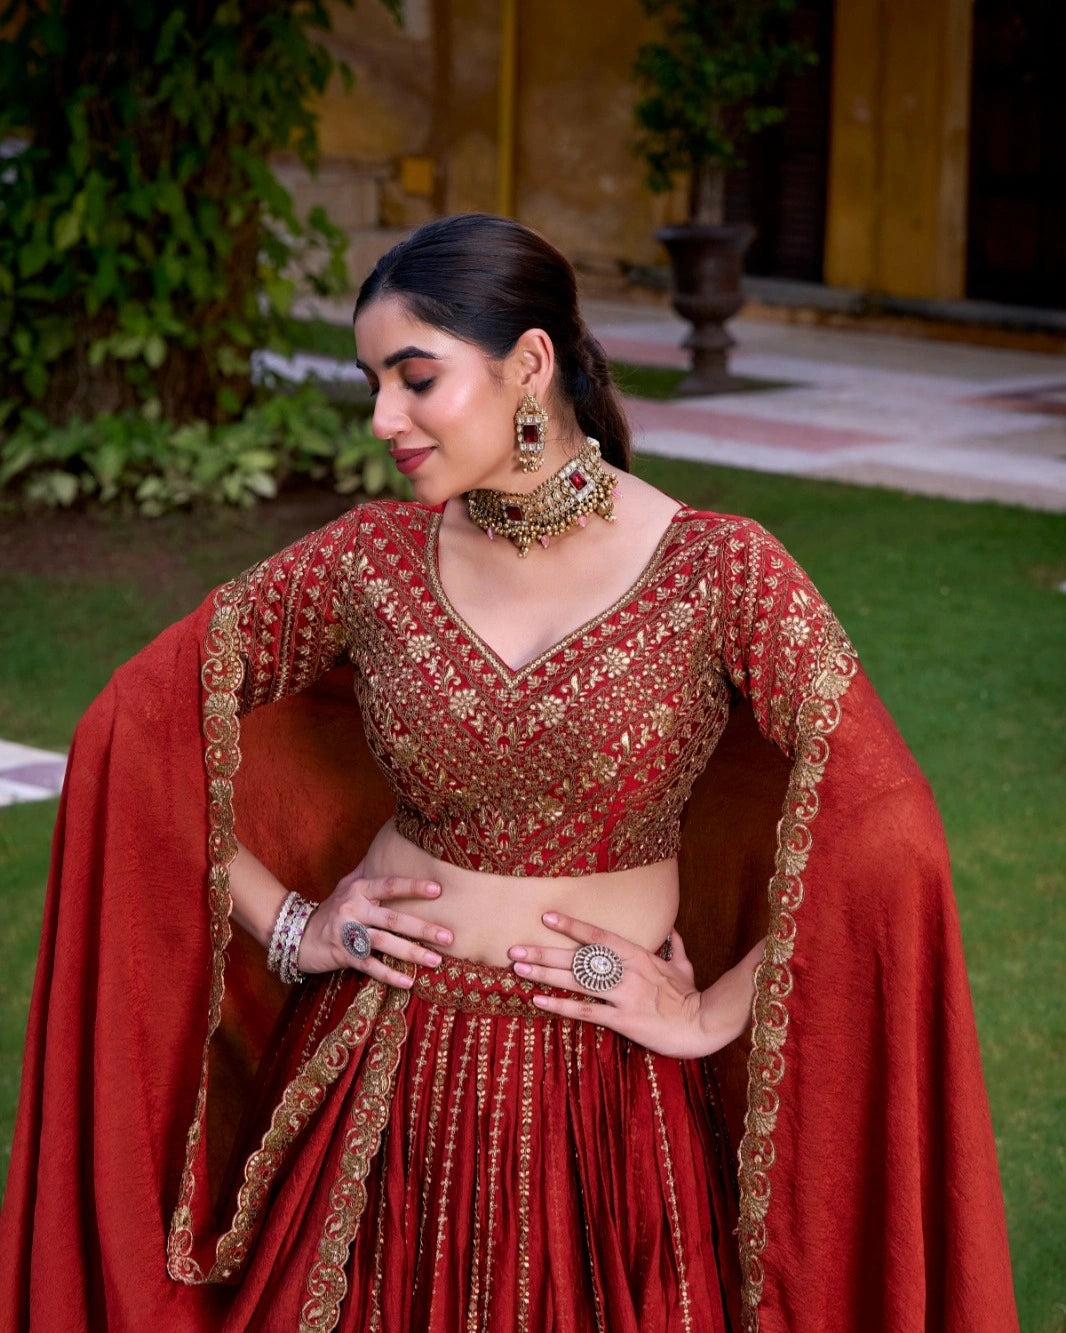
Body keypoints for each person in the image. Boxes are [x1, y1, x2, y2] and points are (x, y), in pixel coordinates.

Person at [1, 214, 1017, 1332]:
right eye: (372, 382)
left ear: (528, 365)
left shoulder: (721, 571)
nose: (382, 417)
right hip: (379, 1080)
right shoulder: (368, 562)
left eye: (415, 378)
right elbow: (136, 729)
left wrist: (711, 1013)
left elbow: (884, 828)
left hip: (608, 1112)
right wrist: (293, 925)